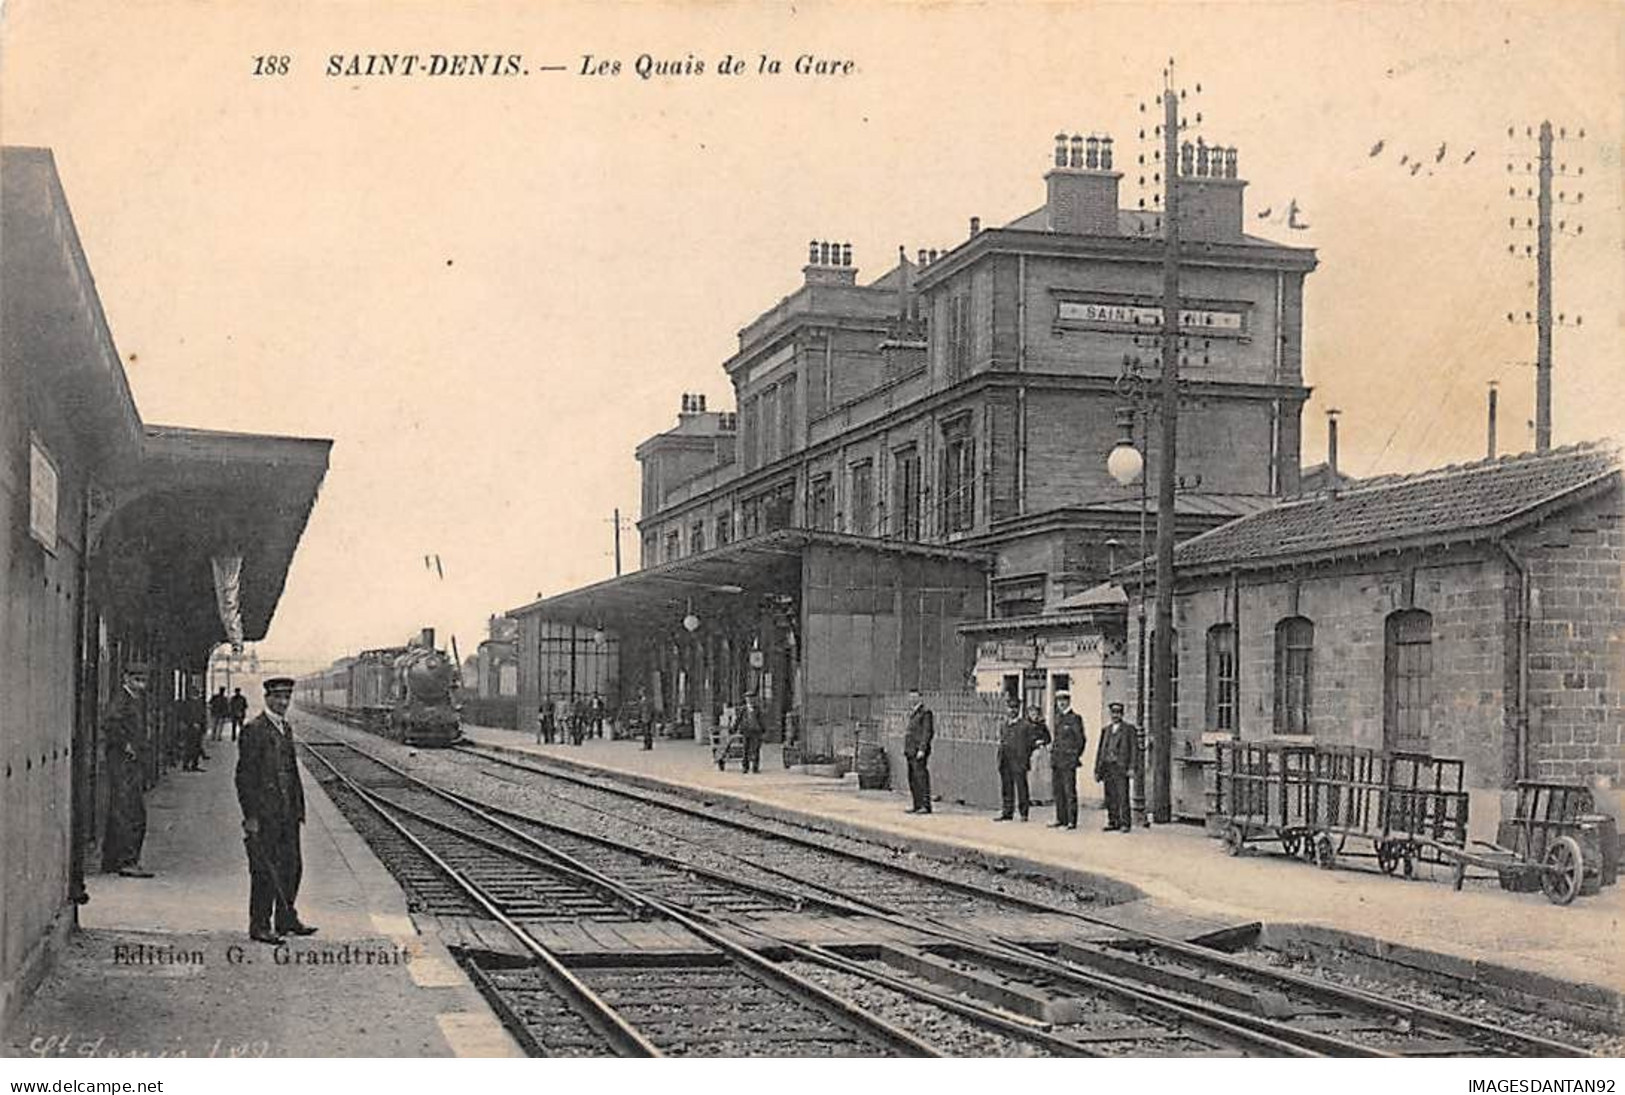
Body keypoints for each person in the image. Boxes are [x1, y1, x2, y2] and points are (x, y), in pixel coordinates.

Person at [235, 677, 316, 944]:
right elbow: (244, 777)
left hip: (288, 814)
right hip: (265, 815)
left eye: (286, 698)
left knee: (292, 867)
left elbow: (290, 773)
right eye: (278, 698)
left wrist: (298, 808)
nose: (283, 703)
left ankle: (285, 919)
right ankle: (259, 924)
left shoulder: (285, 728)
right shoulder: (255, 729)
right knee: (264, 870)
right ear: (267, 698)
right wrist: (251, 817)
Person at [102, 662, 154, 877]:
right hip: (124, 762)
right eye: (136, 678)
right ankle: (127, 861)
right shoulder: (122, 699)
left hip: (128, 761)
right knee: (131, 811)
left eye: (143, 678)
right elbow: (110, 723)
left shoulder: (133, 699)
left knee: (122, 809)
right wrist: (126, 745)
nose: (140, 682)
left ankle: (113, 861)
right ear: (126, 677)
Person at [994, 696, 1048, 822]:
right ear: (1006, 709)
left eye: (1015, 708)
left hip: (1019, 761)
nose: (1012, 710)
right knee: (1006, 787)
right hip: (1005, 760)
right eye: (1010, 708)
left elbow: (1033, 742)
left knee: (1021, 787)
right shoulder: (1004, 725)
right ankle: (1007, 812)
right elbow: (1002, 741)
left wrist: (1026, 755)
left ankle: (1024, 813)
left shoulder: (1026, 725)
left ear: (1019, 709)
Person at [1047, 691, 1086, 829]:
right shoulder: (1058, 718)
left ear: (1069, 701)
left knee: (1069, 791)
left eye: (1064, 700)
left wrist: (1074, 755)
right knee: (1058, 791)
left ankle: (1071, 821)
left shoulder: (1075, 718)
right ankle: (1060, 818)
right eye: (1059, 701)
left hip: (1068, 761)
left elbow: (1080, 740)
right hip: (1057, 759)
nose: (1061, 703)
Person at [1096, 701, 1136, 832]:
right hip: (1107, 767)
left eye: (1118, 713)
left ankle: (1125, 823)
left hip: (1120, 767)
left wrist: (1131, 767)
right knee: (1110, 796)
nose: (1115, 715)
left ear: (1122, 714)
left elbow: (1134, 750)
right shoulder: (1106, 730)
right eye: (1113, 713)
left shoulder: (1128, 730)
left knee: (1122, 796)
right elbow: (1100, 750)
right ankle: (1113, 821)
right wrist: (1097, 769)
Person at [902, 690, 934, 814]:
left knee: (921, 777)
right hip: (910, 750)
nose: (912, 699)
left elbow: (927, 732)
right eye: (910, 697)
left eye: (915, 697)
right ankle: (916, 803)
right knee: (912, 778)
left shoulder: (925, 713)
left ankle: (925, 805)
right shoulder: (913, 712)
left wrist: (922, 749)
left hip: (918, 751)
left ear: (920, 698)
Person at [182, 683, 208, 772]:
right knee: (190, 747)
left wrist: (202, 725)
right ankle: (187, 765)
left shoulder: (198, 703)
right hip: (191, 728)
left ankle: (193, 764)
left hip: (197, 728)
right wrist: (192, 723)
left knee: (196, 747)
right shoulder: (189, 703)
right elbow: (186, 715)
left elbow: (202, 715)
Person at [736, 694, 764, 774]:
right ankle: (745, 767)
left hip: (756, 731)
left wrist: (762, 729)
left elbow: (761, 719)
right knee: (746, 749)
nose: (750, 700)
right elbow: (738, 719)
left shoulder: (757, 709)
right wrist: (734, 728)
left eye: (752, 699)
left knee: (756, 749)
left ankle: (755, 767)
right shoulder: (743, 709)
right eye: (748, 699)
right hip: (746, 731)